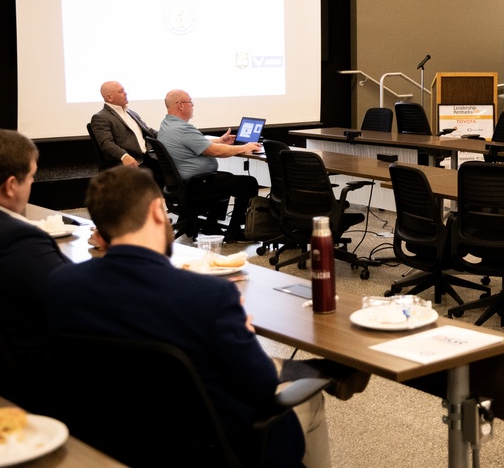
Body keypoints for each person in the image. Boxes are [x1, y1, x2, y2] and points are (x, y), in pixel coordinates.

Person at [44, 166, 342, 467]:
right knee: (309, 400)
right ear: (158, 212)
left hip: (104, 443)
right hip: (210, 451)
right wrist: (246, 334)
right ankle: (329, 374)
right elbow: (262, 384)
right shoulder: (209, 296)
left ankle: (324, 372)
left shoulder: (60, 286)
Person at [0, 130, 72, 398]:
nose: (31, 184)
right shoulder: (14, 239)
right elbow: (73, 297)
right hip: (38, 376)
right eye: (32, 177)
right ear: (11, 185)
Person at [157, 89, 261, 243]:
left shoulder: (167, 124)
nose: (192, 106)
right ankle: (234, 232)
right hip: (195, 183)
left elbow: (197, 143)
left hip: (182, 183)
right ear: (180, 105)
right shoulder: (183, 128)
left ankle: (211, 224)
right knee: (248, 183)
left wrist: (220, 140)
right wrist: (243, 148)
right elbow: (213, 151)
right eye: (190, 102)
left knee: (227, 178)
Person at [90, 81, 158, 170]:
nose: (125, 93)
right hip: (131, 161)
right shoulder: (100, 117)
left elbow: (148, 130)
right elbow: (106, 143)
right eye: (120, 91)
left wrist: (167, 134)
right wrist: (124, 156)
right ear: (109, 97)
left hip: (149, 156)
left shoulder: (131, 113)